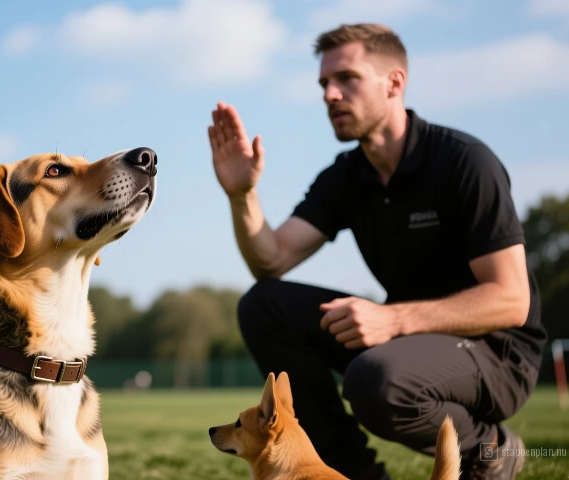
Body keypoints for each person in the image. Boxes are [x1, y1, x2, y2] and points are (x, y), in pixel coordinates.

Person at [206, 23, 546, 480]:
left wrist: (393, 320)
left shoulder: (464, 162)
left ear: (394, 83)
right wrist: (241, 195)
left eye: (346, 79)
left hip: (496, 353)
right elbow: (271, 259)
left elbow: (511, 299)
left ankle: (490, 450)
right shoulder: (347, 176)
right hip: (408, 340)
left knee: (373, 378)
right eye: (324, 83)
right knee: (264, 306)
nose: (330, 94)